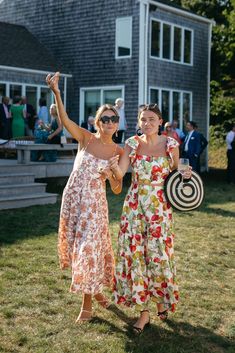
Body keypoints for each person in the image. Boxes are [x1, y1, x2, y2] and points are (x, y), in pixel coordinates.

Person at [46, 72, 123, 323]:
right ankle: (97, 292)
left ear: (117, 124)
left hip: (95, 205)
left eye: (114, 119)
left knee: (88, 249)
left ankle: (87, 304)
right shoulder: (85, 138)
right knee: (81, 250)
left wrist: (113, 171)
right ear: (97, 122)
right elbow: (65, 120)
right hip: (73, 200)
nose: (109, 122)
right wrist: (57, 92)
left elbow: (116, 189)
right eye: (105, 118)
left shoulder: (118, 152)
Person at [109, 104, 191, 334]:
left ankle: (161, 299)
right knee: (137, 256)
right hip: (135, 206)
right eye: (143, 119)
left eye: (151, 119)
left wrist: (186, 172)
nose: (147, 123)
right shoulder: (132, 144)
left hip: (160, 207)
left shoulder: (171, 144)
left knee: (158, 255)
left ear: (160, 121)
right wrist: (114, 168)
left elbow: (178, 172)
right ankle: (144, 312)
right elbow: (121, 173)